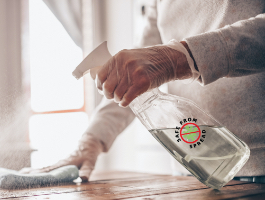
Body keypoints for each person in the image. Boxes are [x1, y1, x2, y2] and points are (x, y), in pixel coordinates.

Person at [22, 0, 265, 183]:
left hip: (258, 168)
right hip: (190, 170)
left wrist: (180, 57)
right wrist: (91, 139)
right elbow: (135, 75)